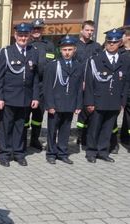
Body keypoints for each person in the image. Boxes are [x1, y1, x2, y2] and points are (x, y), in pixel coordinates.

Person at [0, 22, 40, 167]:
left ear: (29, 36)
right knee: (6, 127)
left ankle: (19, 153)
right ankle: (5, 154)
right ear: (15, 36)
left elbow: (36, 77)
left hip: (25, 97)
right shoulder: (6, 52)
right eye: (20, 35)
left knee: (21, 127)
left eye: (25, 35)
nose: (23, 38)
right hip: (8, 97)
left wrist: (35, 97)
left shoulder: (34, 51)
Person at [83, 29, 129, 163]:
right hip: (98, 100)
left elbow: (125, 83)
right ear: (106, 42)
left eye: (115, 42)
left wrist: (122, 102)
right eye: (109, 42)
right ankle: (91, 152)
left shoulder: (124, 60)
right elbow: (89, 83)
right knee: (94, 128)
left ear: (120, 43)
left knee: (108, 128)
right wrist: (89, 102)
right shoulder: (96, 59)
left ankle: (103, 151)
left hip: (114, 101)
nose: (111, 45)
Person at [43, 35, 84, 164]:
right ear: (60, 50)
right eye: (65, 49)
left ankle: (62, 152)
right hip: (55, 104)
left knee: (65, 130)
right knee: (52, 130)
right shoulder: (53, 65)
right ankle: (51, 153)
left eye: (70, 49)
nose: (67, 52)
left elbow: (79, 87)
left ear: (74, 50)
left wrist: (78, 104)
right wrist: (50, 105)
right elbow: (47, 87)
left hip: (69, 103)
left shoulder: (78, 66)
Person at [26, 18, 56, 150]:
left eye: (39, 28)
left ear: (42, 30)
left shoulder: (49, 45)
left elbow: (54, 64)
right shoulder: (26, 43)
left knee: (38, 116)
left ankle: (34, 139)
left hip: (43, 85)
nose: (36, 31)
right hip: (29, 85)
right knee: (25, 115)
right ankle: (21, 140)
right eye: (34, 28)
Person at [75, 20, 103, 148]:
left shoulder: (96, 46)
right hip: (76, 82)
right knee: (79, 110)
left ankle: (87, 137)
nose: (89, 33)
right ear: (81, 30)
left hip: (91, 84)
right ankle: (79, 136)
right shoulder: (75, 45)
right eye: (87, 30)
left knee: (90, 110)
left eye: (92, 30)